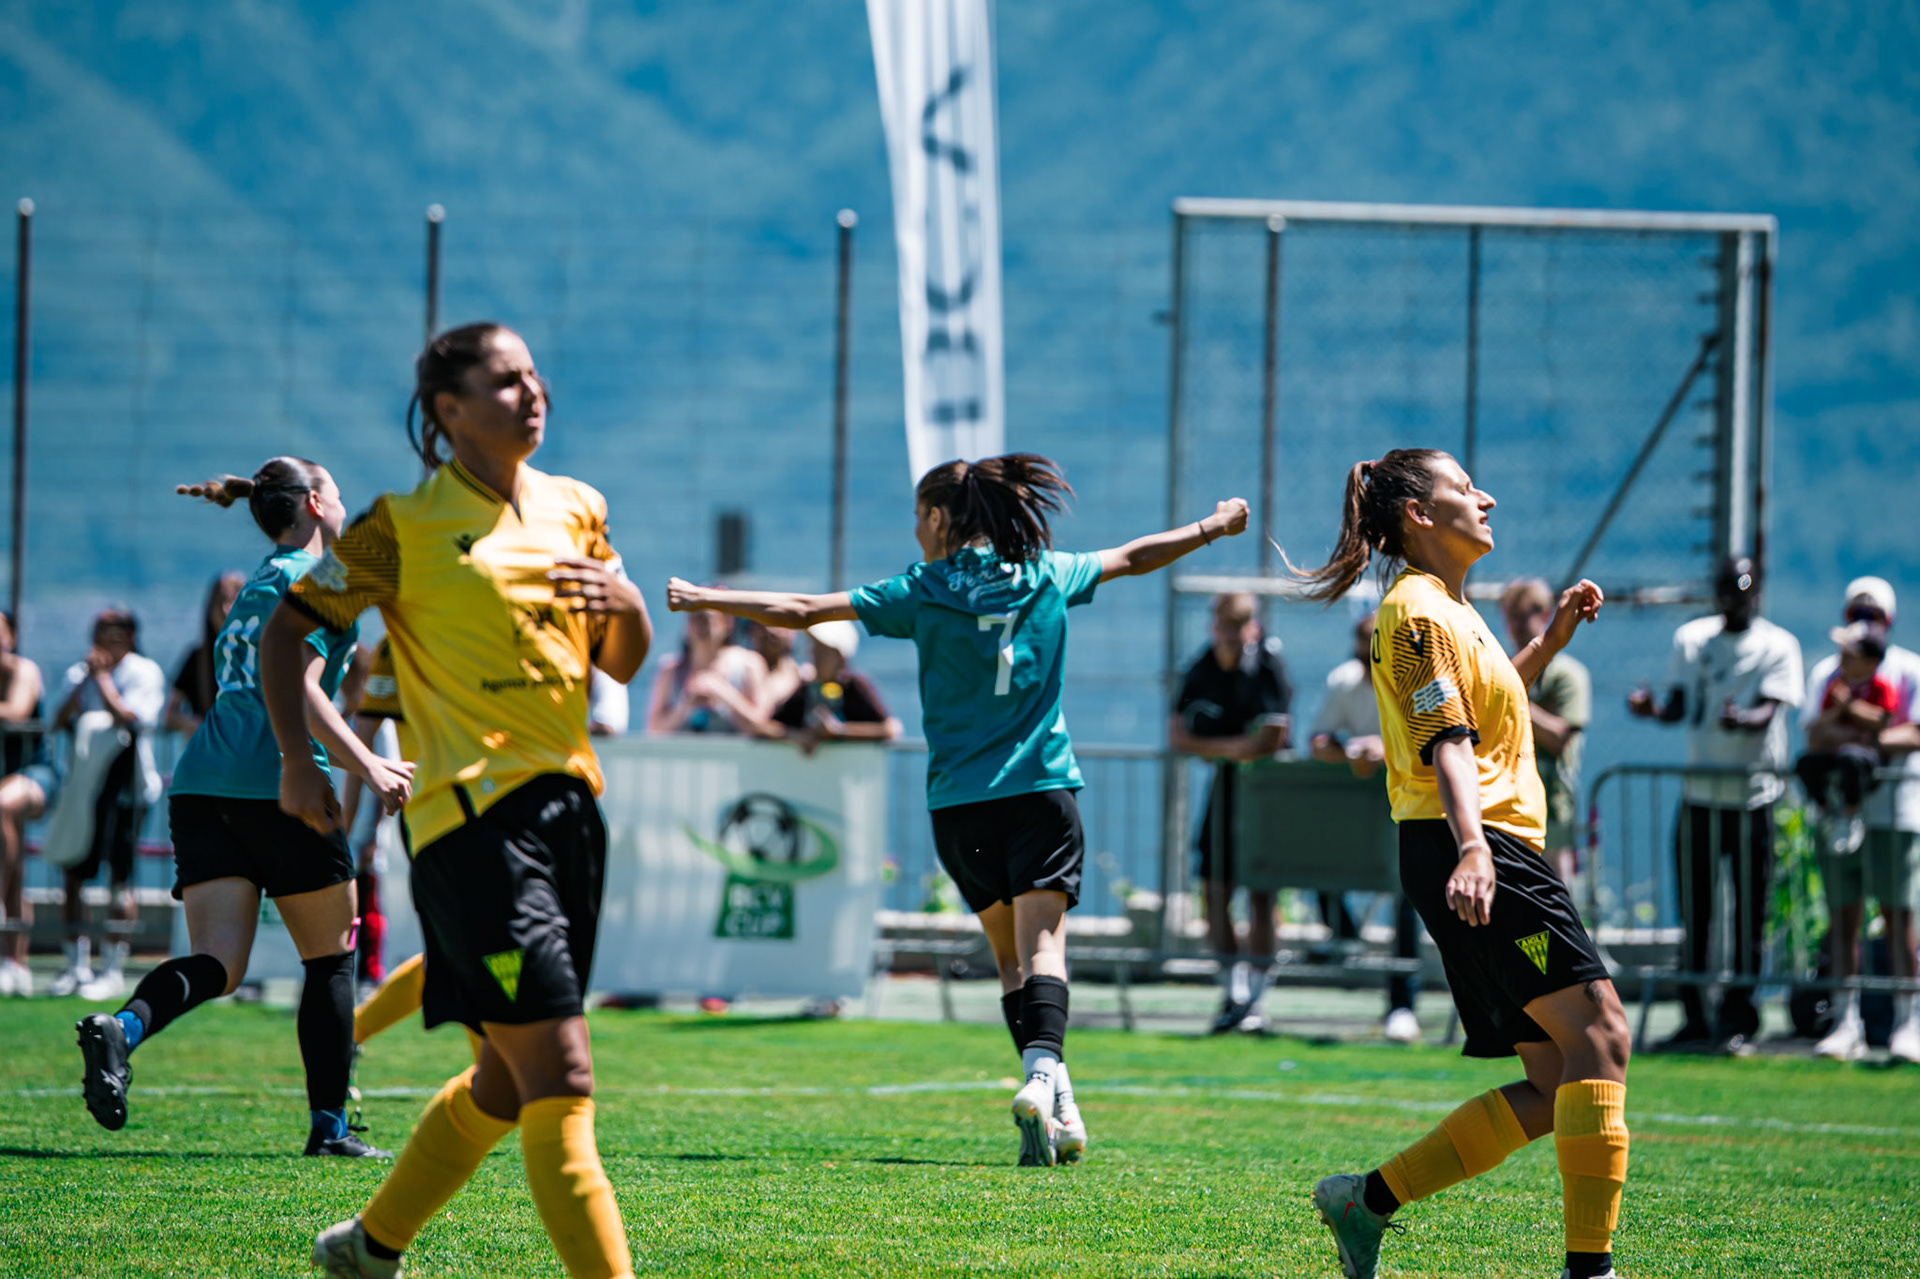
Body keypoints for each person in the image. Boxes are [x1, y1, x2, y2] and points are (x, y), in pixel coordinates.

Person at [668, 454, 1250, 1168]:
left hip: (960, 804)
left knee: (1011, 959)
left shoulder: (924, 588)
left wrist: (706, 599)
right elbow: (1134, 557)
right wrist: (1212, 527)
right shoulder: (1045, 571)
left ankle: (1059, 1099)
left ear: (940, 517)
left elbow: (804, 611)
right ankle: (1043, 1077)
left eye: (918, 515)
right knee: (1045, 949)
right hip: (1039, 789)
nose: (914, 529)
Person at [269, 323, 649, 1279]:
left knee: (504, 1080)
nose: (534, 391)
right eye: (506, 379)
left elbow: (623, 659)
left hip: (572, 812)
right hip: (471, 826)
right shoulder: (397, 527)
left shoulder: (578, 505)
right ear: (448, 410)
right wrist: (297, 759)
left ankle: (368, 1246)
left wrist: (625, 601)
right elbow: (286, 641)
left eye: (534, 375)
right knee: (560, 1075)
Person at [1294, 450, 1628, 1279]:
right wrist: (1476, 847)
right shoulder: (1416, 612)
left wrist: (1549, 641)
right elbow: (1447, 741)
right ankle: (1591, 1271)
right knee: (1604, 1032)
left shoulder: (1448, 606)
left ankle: (1363, 1201)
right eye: (1463, 487)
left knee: (1557, 1085)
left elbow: (1479, 712)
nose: (1487, 496)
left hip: (1479, 845)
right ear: (1418, 514)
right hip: (1481, 847)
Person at [72, 461, 407, 1160]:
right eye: (338, 495)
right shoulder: (319, 581)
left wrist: (240, 488)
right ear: (316, 504)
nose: (346, 506)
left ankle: (124, 1028)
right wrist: (370, 764)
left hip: (204, 784)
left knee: (218, 962)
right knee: (332, 956)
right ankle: (329, 1126)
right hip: (279, 785)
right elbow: (301, 686)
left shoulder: (261, 577)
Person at [1628, 556, 1802, 1054]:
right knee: (1696, 913)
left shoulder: (1777, 645)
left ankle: (1740, 1015)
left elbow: (1770, 711)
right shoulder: (1692, 638)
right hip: (1700, 796)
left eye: (1741, 592)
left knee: (1749, 913)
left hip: (1753, 798)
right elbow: (1681, 708)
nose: (1733, 600)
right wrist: (1651, 711)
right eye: (1726, 591)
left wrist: (1743, 718)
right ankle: (1695, 1016)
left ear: (1756, 593)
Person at [1798, 576, 1920, 1064]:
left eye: (1874, 613)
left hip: (1896, 810)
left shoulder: (1908, 668)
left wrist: (1861, 737)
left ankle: (1908, 1021)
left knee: (1898, 917)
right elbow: (1814, 735)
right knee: (1843, 916)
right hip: (1836, 811)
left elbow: (1912, 734)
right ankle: (1845, 1021)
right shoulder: (1828, 671)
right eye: (1857, 611)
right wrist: (1865, 731)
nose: (1864, 621)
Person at [1169, 591, 1291, 1034]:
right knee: (1214, 890)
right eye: (1226, 625)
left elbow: (1276, 733)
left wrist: (1241, 751)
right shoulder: (1200, 667)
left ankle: (1257, 998)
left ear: (1253, 628)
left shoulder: (1269, 663)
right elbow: (1178, 734)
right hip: (1224, 791)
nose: (1233, 635)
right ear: (1214, 625)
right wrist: (1230, 749)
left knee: (1262, 893)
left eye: (1241, 625)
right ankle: (1232, 990)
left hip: (1266, 796)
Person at [1309, 609, 1425, 1045]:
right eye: (1360, 643)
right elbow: (1319, 740)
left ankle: (1403, 1004)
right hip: (1360, 811)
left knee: (1408, 900)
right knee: (1315, 864)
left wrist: (1386, 751)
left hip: (1412, 805)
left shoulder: (1416, 677)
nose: (1363, 653)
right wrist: (1351, 754)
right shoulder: (1343, 680)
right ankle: (1345, 932)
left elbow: (1438, 739)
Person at [42, 609, 167, 1000]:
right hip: (84, 788)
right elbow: (58, 719)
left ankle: (112, 965)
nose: (101, 641)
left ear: (129, 636)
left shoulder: (144, 672)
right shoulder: (80, 672)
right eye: (97, 632)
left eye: (110, 633)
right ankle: (74, 965)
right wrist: (85, 681)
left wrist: (103, 680)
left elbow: (133, 720)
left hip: (128, 789)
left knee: (119, 877)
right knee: (73, 873)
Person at [1500, 579, 1592, 887]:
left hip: (1552, 803)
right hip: (1508, 800)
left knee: (1554, 890)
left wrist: (1510, 695)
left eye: (1526, 613)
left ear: (1545, 614)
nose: (1518, 624)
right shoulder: (1505, 668)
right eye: (1511, 615)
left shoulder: (1567, 674)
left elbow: (1560, 738)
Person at [763, 619, 900, 752]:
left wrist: (840, 730)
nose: (813, 655)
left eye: (822, 650)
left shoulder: (855, 685)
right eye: (813, 647)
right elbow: (772, 724)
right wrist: (797, 736)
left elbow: (890, 729)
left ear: (840, 657)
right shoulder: (807, 687)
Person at [0, 611, 44, 995]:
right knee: (15, 870)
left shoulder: (23, 670)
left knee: (1, 807)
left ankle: (13, 956)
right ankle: (14, 961)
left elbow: (16, 712)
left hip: (35, 775)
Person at [645, 607, 767, 734]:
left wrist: (723, 693)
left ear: (727, 623)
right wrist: (686, 706)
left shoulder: (748, 664)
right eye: (696, 618)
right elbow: (654, 731)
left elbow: (763, 727)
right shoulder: (670, 670)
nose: (701, 626)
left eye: (707, 619)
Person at [165, 572, 246, 736]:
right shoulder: (197, 658)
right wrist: (193, 724)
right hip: (210, 754)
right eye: (221, 602)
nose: (226, 610)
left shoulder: (257, 658)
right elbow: (170, 714)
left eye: (234, 602)